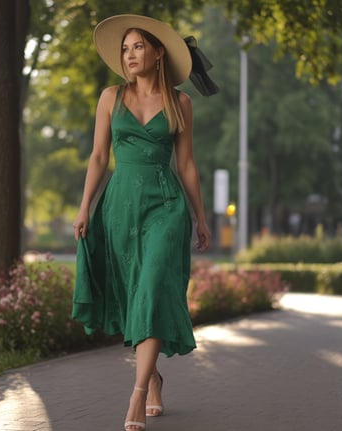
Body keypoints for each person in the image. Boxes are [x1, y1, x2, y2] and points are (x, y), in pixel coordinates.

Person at [70, 14, 216, 431]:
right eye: (125, 48)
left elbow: (186, 164)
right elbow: (99, 157)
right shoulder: (110, 97)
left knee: (151, 285)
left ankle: (134, 399)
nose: (129, 55)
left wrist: (200, 217)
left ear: (157, 53)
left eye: (137, 47)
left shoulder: (180, 102)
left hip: (166, 205)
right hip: (120, 206)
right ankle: (151, 379)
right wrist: (85, 207)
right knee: (134, 293)